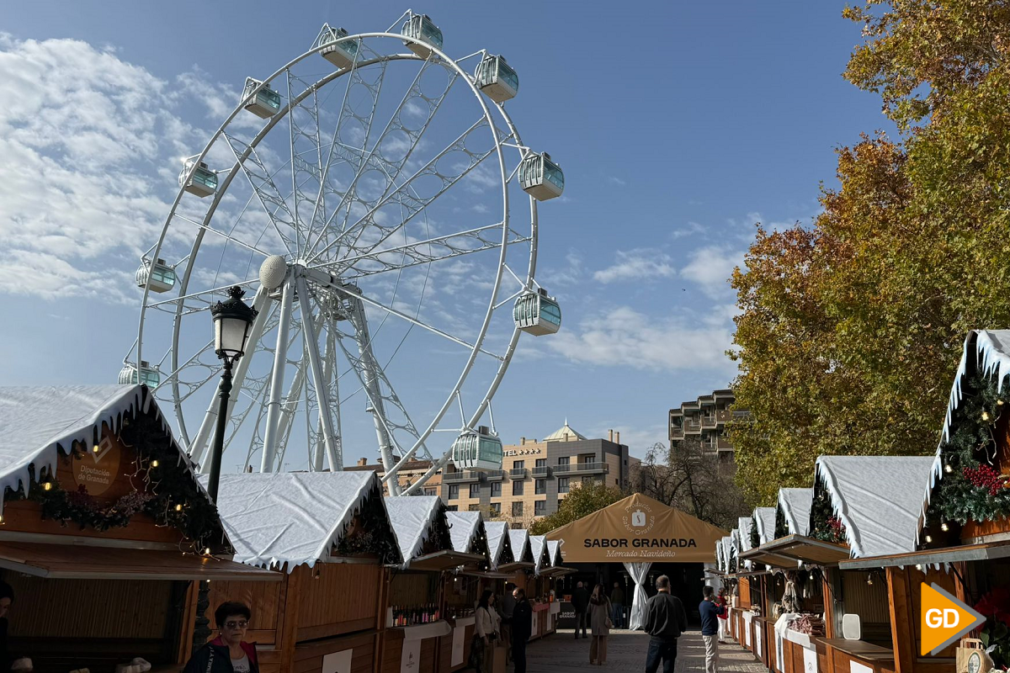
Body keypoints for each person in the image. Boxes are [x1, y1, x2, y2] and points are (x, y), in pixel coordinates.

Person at [184, 602, 259, 673]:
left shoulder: (250, 651)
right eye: (231, 624)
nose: (237, 628)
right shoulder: (205, 655)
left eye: (242, 623)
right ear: (220, 628)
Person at [643, 575, 688, 673]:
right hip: (671, 640)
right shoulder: (676, 601)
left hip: (656, 640)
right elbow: (683, 624)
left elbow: (645, 624)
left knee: (651, 668)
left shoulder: (651, 601)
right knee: (668, 669)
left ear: (657, 587)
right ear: (668, 586)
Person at [700, 586, 725, 673]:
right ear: (711, 594)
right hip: (710, 633)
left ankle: (715, 670)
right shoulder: (710, 604)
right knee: (710, 655)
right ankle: (709, 671)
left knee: (715, 655)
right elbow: (721, 611)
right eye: (713, 593)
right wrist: (720, 602)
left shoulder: (702, 604)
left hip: (708, 632)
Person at [475, 589, 500, 673]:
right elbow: (479, 624)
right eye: (491, 596)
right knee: (481, 658)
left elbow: (494, 620)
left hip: (490, 635)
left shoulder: (491, 608)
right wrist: (484, 637)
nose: (493, 598)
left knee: (488, 657)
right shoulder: (481, 609)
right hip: (482, 636)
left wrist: (497, 632)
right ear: (487, 598)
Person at [588, 584, 612, 665]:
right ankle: (601, 659)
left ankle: (592, 659)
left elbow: (588, 610)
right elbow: (610, 610)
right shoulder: (605, 598)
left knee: (594, 640)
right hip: (603, 621)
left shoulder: (592, 599)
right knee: (603, 641)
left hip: (594, 622)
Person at [511, 587, 533, 673]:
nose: (514, 598)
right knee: (518, 653)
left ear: (521, 595)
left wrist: (512, 620)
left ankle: (520, 670)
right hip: (519, 632)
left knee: (520, 653)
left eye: (515, 595)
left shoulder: (524, 605)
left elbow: (521, 618)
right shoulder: (520, 604)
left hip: (521, 633)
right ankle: (518, 669)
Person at [501, 583, 516, 664]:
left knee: (506, 640)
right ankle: (512, 656)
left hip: (505, 621)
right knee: (512, 639)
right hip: (513, 621)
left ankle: (506, 658)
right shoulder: (514, 599)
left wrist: (506, 616)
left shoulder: (502, 598)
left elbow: (500, 611)